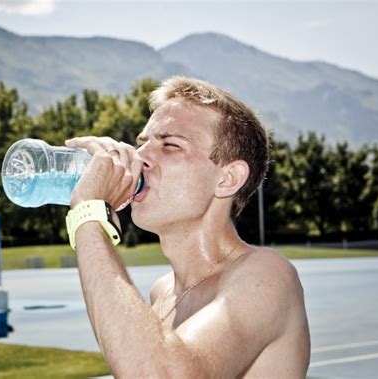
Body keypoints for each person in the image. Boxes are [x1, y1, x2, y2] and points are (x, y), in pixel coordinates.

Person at [65, 76, 310, 378]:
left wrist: (88, 216)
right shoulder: (163, 291)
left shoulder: (266, 274)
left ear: (228, 179)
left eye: (170, 145)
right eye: (143, 143)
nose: (140, 157)